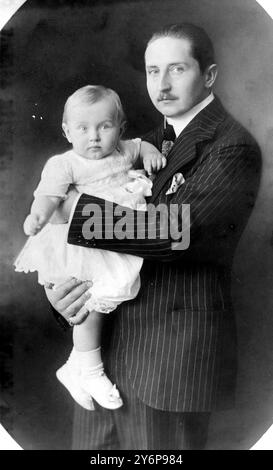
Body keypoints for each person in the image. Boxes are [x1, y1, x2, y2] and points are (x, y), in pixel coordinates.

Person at [45, 23, 262, 449]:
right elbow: (91, 250)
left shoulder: (232, 146)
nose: (160, 85)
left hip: (167, 367)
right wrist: (64, 297)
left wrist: (73, 210)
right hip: (102, 365)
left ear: (210, 75)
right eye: (151, 71)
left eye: (176, 69)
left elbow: (175, 233)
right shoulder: (138, 145)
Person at [14, 85, 166, 412]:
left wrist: (150, 152)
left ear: (120, 128)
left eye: (104, 126)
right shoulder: (65, 163)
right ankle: (90, 368)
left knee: (102, 300)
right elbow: (49, 195)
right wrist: (38, 216)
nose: (94, 137)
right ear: (67, 132)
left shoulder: (125, 149)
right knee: (90, 301)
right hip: (80, 242)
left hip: (111, 234)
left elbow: (140, 146)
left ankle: (77, 365)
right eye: (83, 129)